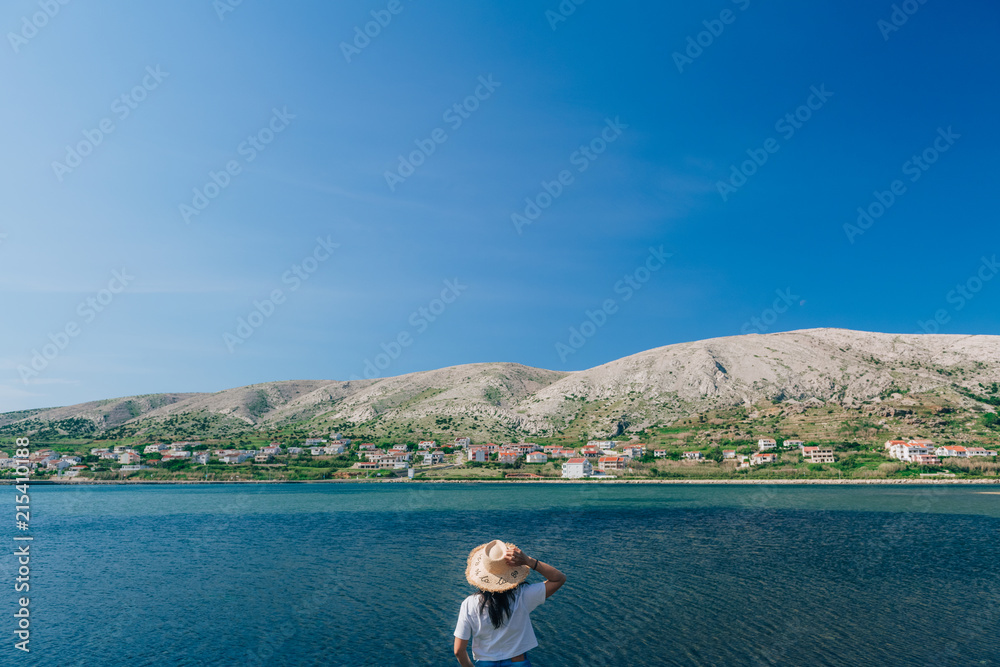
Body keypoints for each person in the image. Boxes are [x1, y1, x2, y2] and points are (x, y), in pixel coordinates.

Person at [453, 539, 566, 667]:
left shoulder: (469, 604)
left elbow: (458, 651)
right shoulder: (522, 596)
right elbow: (559, 579)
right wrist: (528, 561)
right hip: (518, 663)